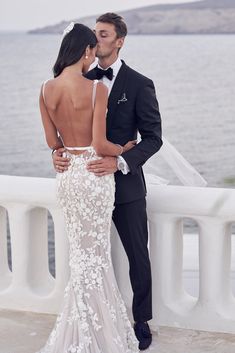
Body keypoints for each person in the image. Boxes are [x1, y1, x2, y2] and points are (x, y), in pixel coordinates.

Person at [53, 13, 163, 351]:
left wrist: (121, 161)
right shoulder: (78, 80)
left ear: (119, 40)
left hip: (126, 188)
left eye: (104, 34)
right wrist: (57, 152)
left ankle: (141, 320)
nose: (97, 39)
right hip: (86, 186)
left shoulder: (139, 83)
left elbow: (153, 138)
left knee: (137, 256)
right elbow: (65, 132)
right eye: (95, 34)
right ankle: (94, 322)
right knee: (88, 255)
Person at [38, 22, 139, 353]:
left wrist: (62, 153)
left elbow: (54, 143)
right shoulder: (97, 89)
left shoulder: (45, 89)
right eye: (92, 51)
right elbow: (98, 142)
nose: (94, 57)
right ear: (85, 51)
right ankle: (96, 334)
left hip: (68, 177)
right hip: (94, 176)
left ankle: (81, 330)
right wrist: (124, 148)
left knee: (81, 257)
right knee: (96, 256)